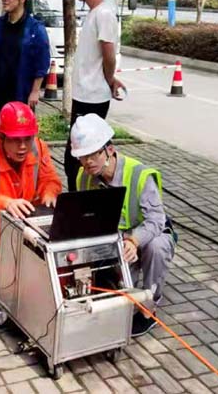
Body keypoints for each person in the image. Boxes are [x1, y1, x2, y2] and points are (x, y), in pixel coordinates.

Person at [70, 114, 176, 337]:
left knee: (156, 248)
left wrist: (134, 240)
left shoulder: (139, 175)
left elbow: (156, 219)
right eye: (82, 157)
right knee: (119, 290)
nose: (88, 162)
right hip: (116, 238)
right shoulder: (84, 177)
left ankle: (149, 308)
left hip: (149, 234)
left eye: (93, 154)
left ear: (109, 149)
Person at [0, 102, 61, 268]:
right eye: (15, 140)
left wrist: (50, 193)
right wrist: (7, 203)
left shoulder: (39, 147)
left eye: (27, 139)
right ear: (2, 137)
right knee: (6, 260)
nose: (22, 146)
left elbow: (49, 178)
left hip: (28, 217)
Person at [64, 0, 126, 189]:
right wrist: (110, 78)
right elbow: (98, 58)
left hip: (92, 98)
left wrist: (109, 79)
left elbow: (109, 54)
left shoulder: (104, 14)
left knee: (80, 159)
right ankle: (83, 200)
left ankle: (83, 203)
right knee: (76, 159)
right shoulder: (95, 13)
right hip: (84, 95)